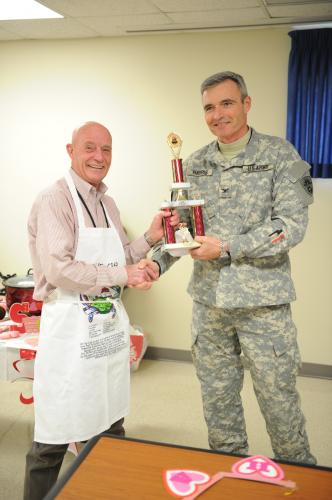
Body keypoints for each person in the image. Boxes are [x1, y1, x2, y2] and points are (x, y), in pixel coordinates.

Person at [152, 71, 316, 464]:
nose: (217, 114)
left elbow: (290, 227)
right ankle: (229, 478)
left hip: (265, 308)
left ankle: (300, 477)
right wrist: (154, 265)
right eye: (209, 107)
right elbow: (182, 230)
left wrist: (227, 247)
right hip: (210, 308)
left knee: (280, 406)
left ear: (246, 103)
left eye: (227, 103)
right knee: (219, 406)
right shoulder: (193, 165)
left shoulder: (282, 156)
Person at [24, 121, 178, 500]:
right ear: (70, 150)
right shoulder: (54, 200)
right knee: (54, 438)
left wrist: (151, 237)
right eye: (90, 147)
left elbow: (118, 257)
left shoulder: (106, 202)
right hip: (69, 337)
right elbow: (60, 269)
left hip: (104, 336)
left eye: (106, 149)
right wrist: (123, 273)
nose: (99, 157)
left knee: (110, 426)